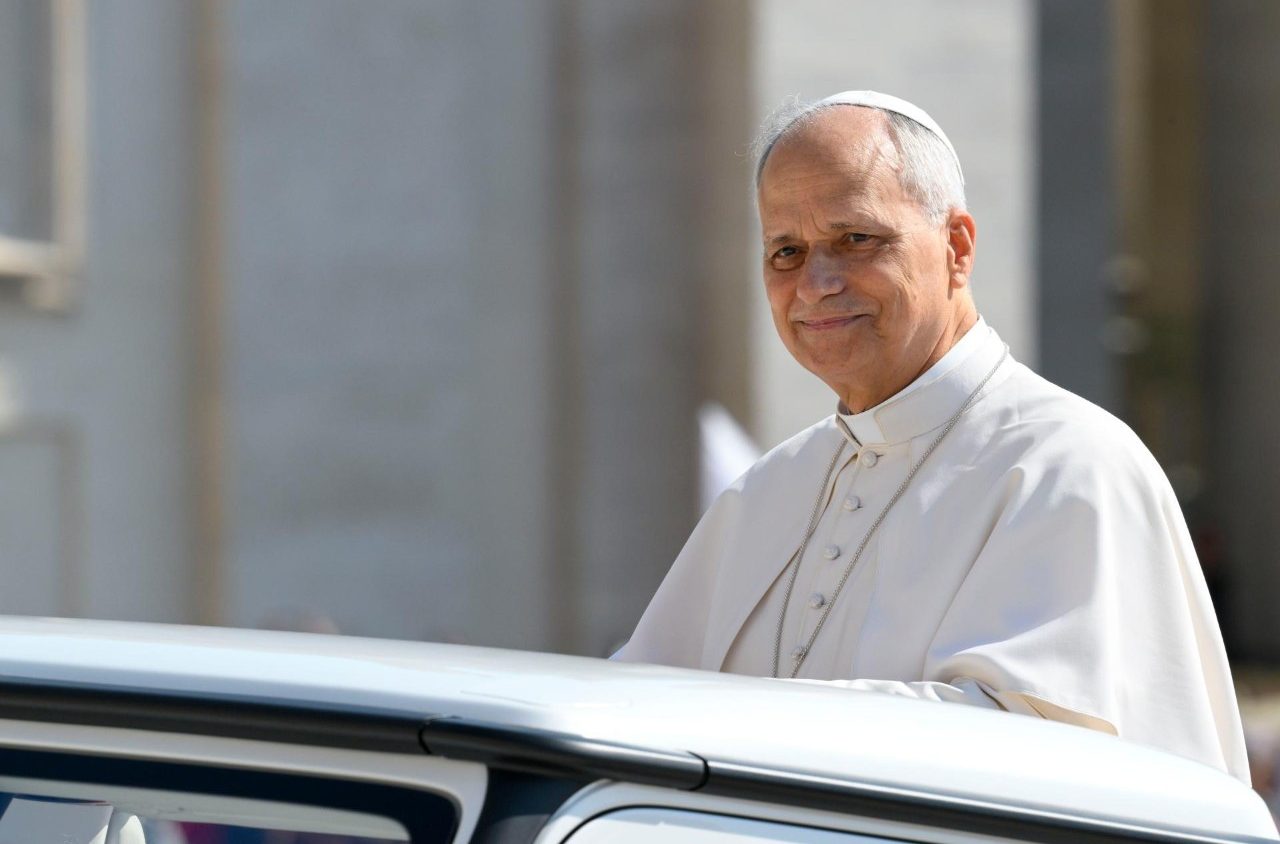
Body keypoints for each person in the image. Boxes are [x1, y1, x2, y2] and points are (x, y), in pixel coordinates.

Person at [612, 90, 1250, 784]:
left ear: (957, 247)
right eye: (786, 251)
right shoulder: (769, 488)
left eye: (856, 239)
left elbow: (1032, 758)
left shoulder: (1069, 463)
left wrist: (732, 723)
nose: (815, 283)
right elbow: (634, 711)